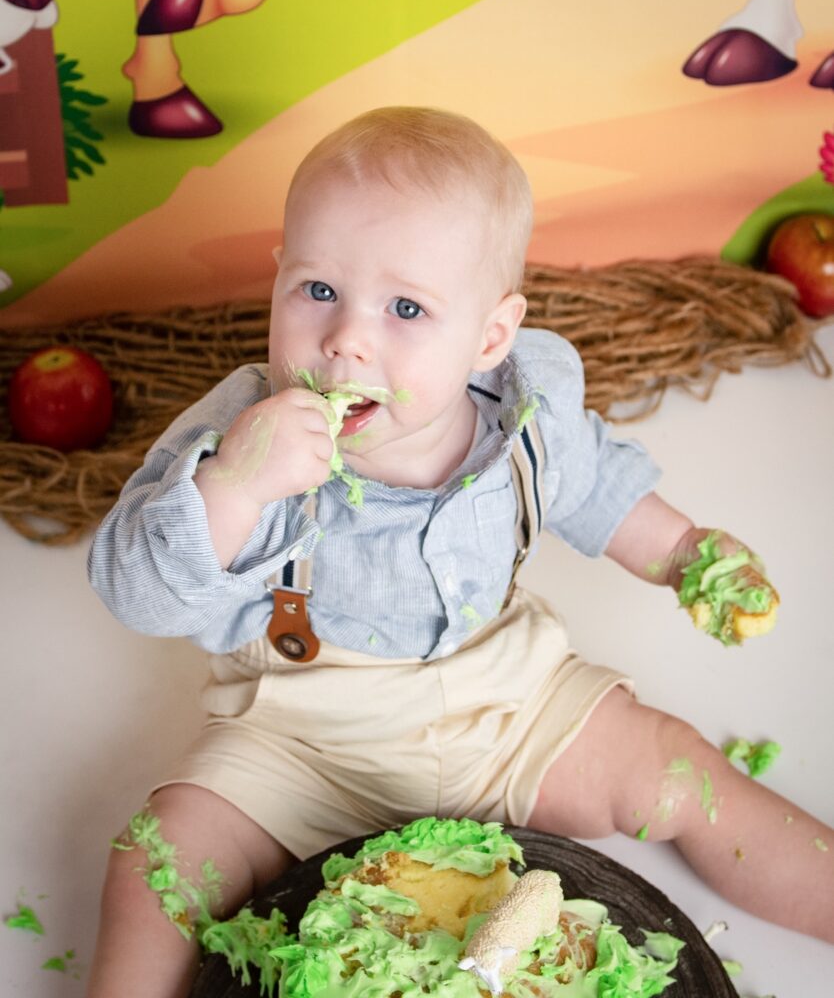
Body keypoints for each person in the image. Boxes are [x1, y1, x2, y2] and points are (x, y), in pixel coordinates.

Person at [85, 106, 833, 996]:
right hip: (299, 743)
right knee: (157, 861)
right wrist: (235, 489)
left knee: (678, 770)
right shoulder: (243, 437)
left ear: (489, 336)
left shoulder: (524, 414)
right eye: (317, 290)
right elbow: (135, 592)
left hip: (508, 704)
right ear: (278, 277)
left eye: (406, 308)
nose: (347, 338)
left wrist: (685, 551)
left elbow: (596, 483)